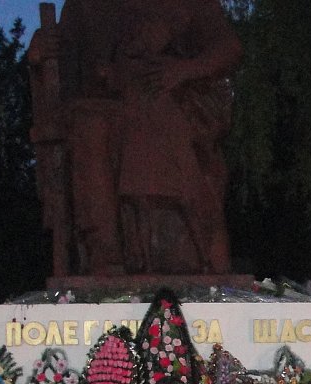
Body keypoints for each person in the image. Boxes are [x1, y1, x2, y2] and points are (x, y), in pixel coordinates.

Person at [27, 0, 243, 276]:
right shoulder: (84, 5)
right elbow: (63, 74)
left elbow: (228, 48)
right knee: (91, 127)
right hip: (102, 108)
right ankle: (106, 254)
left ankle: (184, 252)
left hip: (168, 102)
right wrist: (39, 56)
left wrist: (184, 70)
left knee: (156, 123)